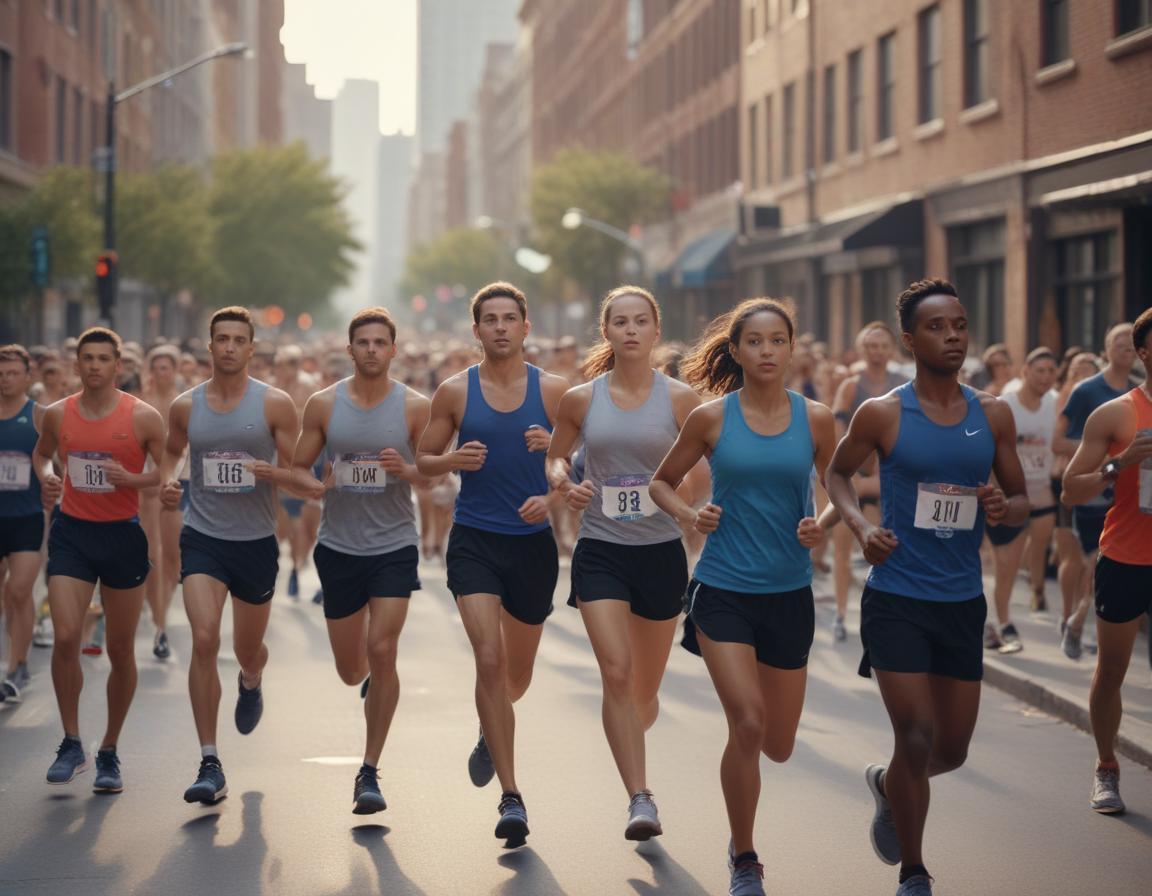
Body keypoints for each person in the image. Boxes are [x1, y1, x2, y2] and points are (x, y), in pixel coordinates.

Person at [826, 279, 1028, 896]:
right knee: (912, 737)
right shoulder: (882, 412)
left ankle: (889, 785)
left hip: (962, 602)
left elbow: (1022, 503)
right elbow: (837, 472)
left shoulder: (992, 413)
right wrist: (861, 527)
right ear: (910, 341)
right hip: (897, 600)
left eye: (960, 325)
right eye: (938, 328)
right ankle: (914, 871)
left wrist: (1001, 504)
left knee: (951, 751)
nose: (954, 337)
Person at [649, 299, 835, 896]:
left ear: (791, 347)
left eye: (776, 340)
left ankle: (742, 839)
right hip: (723, 587)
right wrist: (689, 515)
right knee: (748, 724)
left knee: (778, 746)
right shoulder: (710, 418)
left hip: (789, 593)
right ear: (735, 351)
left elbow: (843, 487)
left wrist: (824, 524)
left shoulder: (818, 419)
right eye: (753, 342)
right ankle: (746, 856)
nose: (766, 351)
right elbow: (661, 482)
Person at [545, 286, 701, 842]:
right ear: (606, 332)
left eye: (641, 321)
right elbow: (556, 457)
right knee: (616, 672)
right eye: (620, 322)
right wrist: (567, 484)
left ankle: (632, 729)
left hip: (660, 552)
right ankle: (640, 797)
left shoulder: (684, 400)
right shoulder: (582, 399)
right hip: (602, 549)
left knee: (643, 692)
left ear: (656, 331)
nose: (631, 330)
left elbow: (707, 465)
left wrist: (691, 509)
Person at [416, 282, 567, 847]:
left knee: (515, 678)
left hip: (532, 543)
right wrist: (452, 458)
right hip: (475, 537)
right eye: (490, 319)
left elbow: (578, 465)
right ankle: (511, 795)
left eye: (510, 318)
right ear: (475, 330)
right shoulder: (455, 393)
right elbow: (424, 462)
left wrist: (552, 484)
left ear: (526, 328)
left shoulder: (554, 392)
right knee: (488, 657)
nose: (500, 327)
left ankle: (489, 724)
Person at [159, 307, 305, 805]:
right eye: (220, 338)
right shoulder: (185, 405)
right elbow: (172, 453)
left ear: (251, 348)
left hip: (256, 542)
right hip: (203, 536)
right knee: (203, 638)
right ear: (209, 345)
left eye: (238, 340)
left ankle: (251, 677)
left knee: (247, 648)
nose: (228, 347)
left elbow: (304, 476)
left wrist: (274, 475)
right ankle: (209, 761)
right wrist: (166, 483)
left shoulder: (276, 406)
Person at [291, 308, 430, 814]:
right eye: (363, 342)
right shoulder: (324, 405)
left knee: (383, 646)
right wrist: (316, 483)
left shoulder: (416, 407)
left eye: (380, 342)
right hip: (339, 546)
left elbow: (434, 479)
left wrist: (407, 470)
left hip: (394, 543)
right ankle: (368, 678)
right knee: (352, 669)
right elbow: (297, 471)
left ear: (394, 350)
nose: (372, 350)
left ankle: (369, 770)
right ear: (350, 350)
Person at [33, 327, 165, 792]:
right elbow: (43, 455)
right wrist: (48, 477)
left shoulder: (144, 417)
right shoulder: (55, 414)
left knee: (121, 650)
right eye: (86, 358)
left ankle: (108, 749)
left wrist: (131, 479)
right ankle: (71, 742)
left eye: (103, 359)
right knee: (67, 635)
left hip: (122, 537)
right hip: (73, 533)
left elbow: (165, 472)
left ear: (118, 365)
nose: (94, 366)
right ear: (76, 364)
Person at [1061, 306, 1152, 814]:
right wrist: (1119, 464)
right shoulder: (1117, 413)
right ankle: (1106, 767)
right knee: (1113, 669)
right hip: (1126, 557)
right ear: (1144, 352)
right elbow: (1072, 490)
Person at [1052, 324, 1141, 659]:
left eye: (1129, 343)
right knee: (1093, 560)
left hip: (1127, 498)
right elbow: (1058, 441)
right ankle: (1073, 618)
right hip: (1092, 489)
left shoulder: (1137, 390)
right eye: (1119, 341)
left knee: (1097, 566)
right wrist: (1107, 451)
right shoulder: (1086, 390)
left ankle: (1080, 617)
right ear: (1106, 348)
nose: (1125, 348)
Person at [829, 322, 907, 641]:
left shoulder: (903, 385)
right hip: (853, 478)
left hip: (889, 480)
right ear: (861, 349)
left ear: (892, 349)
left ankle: (882, 614)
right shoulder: (850, 385)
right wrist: (844, 474)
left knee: (884, 550)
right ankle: (840, 612)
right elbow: (837, 433)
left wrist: (883, 476)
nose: (876, 352)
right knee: (843, 547)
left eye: (882, 346)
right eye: (871, 346)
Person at [984, 348, 1060, 653]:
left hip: (1041, 491)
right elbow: (989, 448)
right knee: (1004, 565)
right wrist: (993, 490)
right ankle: (1001, 622)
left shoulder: (1053, 403)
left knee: (1030, 553)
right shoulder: (1007, 404)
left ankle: (1028, 600)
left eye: (1051, 371)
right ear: (1025, 372)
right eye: (1039, 370)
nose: (1045, 377)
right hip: (1007, 494)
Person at [0, 345, 45, 702]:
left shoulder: (39, 417)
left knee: (18, 590)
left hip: (28, 516)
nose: (5, 379)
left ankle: (18, 665)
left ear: (27, 378)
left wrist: (52, 483)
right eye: (1, 373)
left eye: (13, 373)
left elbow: (54, 462)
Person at [140, 345, 182, 659]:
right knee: (153, 555)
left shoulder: (187, 403)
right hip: (150, 488)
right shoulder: (142, 404)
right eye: (157, 367)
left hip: (185, 484)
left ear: (176, 370)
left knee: (175, 559)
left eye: (166, 367)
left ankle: (161, 617)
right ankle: (160, 626)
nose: (161, 373)